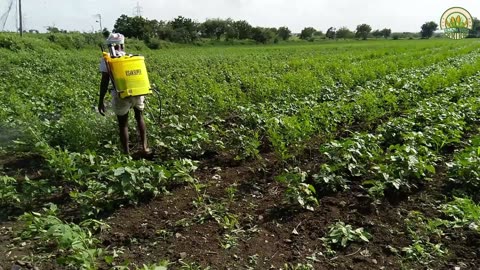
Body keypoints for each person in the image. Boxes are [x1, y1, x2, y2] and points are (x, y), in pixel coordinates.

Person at [98, 33, 149, 155]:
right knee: (139, 117)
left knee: (123, 124)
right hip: (137, 92)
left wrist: (101, 101)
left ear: (110, 45)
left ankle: (127, 154)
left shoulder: (108, 60)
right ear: (122, 45)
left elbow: (104, 81)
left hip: (121, 94)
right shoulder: (130, 57)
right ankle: (144, 147)